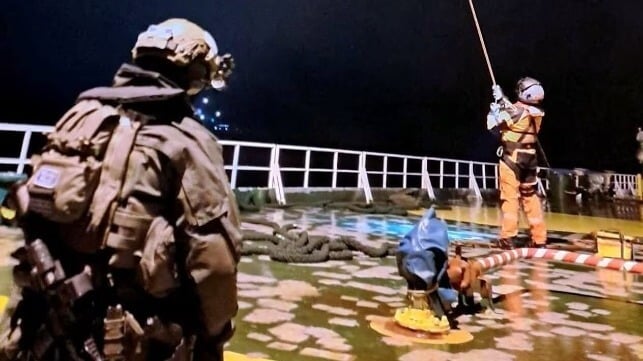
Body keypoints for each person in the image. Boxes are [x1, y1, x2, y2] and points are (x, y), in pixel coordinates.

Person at [0, 18, 241, 361]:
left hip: (40, 328)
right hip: (125, 343)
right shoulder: (188, 141)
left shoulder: (79, 115)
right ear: (195, 71)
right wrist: (213, 337)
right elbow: (214, 262)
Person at [486, 77, 547, 249]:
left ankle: (508, 237)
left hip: (512, 158)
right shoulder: (537, 114)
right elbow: (513, 110)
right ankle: (539, 238)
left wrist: (494, 109)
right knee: (530, 198)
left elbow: (492, 126)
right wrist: (501, 99)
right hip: (530, 159)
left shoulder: (516, 112)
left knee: (510, 198)